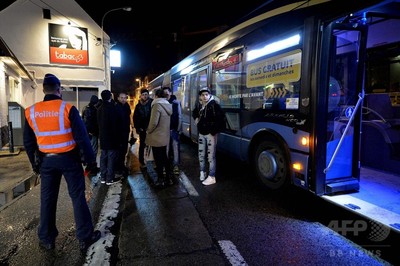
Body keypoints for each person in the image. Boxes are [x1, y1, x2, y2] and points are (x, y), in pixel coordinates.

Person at [23, 73, 100, 252]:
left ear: (43, 90)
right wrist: (90, 162)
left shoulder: (31, 111)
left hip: (47, 162)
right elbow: (82, 138)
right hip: (70, 161)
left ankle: (47, 239)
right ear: (59, 90)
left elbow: (28, 143)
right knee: (78, 197)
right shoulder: (67, 109)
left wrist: (35, 164)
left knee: (47, 200)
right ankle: (85, 237)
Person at [192, 87, 226, 186]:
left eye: (207, 94)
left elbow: (221, 120)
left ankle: (212, 176)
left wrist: (213, 131)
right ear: (200, 97)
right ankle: (202, 172)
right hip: (201, 134)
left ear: (209, 95)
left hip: (210, 135)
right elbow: (194, 112)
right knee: (201, 155)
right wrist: (196, 120)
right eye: (203, 95)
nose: (205, 96)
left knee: (211, 156)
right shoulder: (199, 105)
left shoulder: (214, 105)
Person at [145, 88, 173, 187]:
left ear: (156, 96)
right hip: (164, 136)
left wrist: (148, 130)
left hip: (156, 137)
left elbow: (153, 122)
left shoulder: (156, 105)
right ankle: (169, 178)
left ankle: (160, 179)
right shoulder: (167, 105)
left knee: (158, 159)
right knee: (165, 157)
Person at [97, 90, 122, 185]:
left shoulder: (99, 108)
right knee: (111, 157)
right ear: (110, 97)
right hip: (112, 137)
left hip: (103, 137)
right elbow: (116, 124)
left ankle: (103, 177)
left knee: (103, 156)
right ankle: (110, 178)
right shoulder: (112, 108)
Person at [162, 86, 182, 176]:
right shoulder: (161, 103)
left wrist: (178, 129)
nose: (166, 94)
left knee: (175, 149)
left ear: (170, 93)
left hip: (173, 129)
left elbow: (179, 116)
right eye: (164, 93)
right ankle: (165, 166)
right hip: (164, 130)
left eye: (167, 92)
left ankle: (176, 166)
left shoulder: (176, 103)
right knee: (165, 150)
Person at [133, 88, 153, 169]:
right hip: (142, 129)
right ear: (140, 96)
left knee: (152, 145)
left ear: (148, 95)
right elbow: (135, 117)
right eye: (143, 95)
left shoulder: (152, 103)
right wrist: (138, 128)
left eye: (146, 94)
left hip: (151, 128)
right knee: (142, 145)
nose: (144, 96)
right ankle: (142, 161)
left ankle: (152, 160)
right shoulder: (138, 106)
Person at [115, 92, 131, 178]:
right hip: (119, 134)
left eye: (125, 98)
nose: (123, 99)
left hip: (125, 132)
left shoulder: (126, 106)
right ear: (118, 98)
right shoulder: (116, 107)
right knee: (120, 152)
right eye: (121, 97)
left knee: (124, 151)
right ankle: (119, 168)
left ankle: (121, 167)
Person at [82, 95, 99, 159]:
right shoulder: (94, 110)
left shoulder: (85, 108)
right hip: (93, 133)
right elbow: (93, 122)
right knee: (94, 150)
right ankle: (92, 165)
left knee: (88, 149)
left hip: (86, 132)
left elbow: (83, 120)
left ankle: (88, 163)